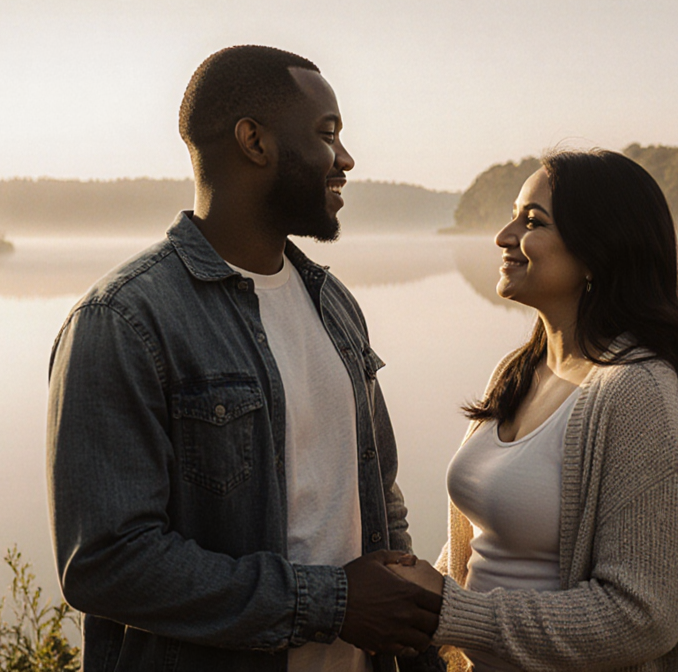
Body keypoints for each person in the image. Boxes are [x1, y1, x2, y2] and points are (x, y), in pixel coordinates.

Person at [46, 45, 442, 672]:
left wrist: (414, 645)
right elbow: (105, 564)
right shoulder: (122, 321)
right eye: (327, 134)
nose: (345, 159)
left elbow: (377, 494)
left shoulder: (333, 302)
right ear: (254, 142)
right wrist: (333, 605)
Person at [390, 150, 678, 671]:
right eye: (514, 215)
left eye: (532, 221)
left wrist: (448, 611)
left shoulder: (640, 395)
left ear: (597, 251)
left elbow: (644, 618)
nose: (503, 236)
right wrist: (409, 596)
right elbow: (481, 547)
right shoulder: (517, 371)